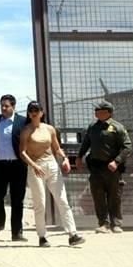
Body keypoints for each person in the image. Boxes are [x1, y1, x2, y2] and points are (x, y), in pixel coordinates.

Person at [20, 101, 85, 248]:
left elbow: (56, 148)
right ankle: (42, 236)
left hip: (52, 166)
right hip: (36, 167)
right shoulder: (26, 130)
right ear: (29, 113)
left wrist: (65, 159)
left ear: (42, 112)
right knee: (40, 203)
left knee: (62, 200)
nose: (34, 112)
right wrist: (34, 165)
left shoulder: (50, 129)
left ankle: (72, 234)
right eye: (31, 110)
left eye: (36, 110)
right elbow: (22, 152)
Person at [75, 100, 132, 234]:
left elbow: (127, 147)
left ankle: (116, 223)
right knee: (98, 196)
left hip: (112, 167)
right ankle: (103, 224)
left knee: (114, 196)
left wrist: (117, 161)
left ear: (109, 113)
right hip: (96, 167)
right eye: (96, 111)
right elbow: (86, 143)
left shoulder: (117, 127)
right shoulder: (92, 127)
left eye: (101, 111)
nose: (97, 114)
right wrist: (79, 157)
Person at [0, 94, 29, 241]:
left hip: (17, 165)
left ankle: (17, 232)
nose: (3, 108)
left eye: (6, 106)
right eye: (2, 105)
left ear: (13, 107)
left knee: (17, 200)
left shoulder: (22, 122)